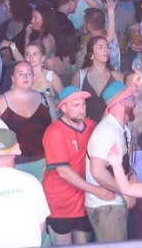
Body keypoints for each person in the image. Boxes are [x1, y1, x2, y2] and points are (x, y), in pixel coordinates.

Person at [42, 86, 112, 245]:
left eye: (83, 104)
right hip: (60, 202)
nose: (81, 109)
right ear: (63, 108)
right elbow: (63, 171)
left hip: (83, 200)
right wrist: (96, 190)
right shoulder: (54, 132)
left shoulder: (91, 126)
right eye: (75, 105)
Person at [84, 81, 138, 243]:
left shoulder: (122, 129)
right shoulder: (106, 132)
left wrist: (132, 176)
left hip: (114, 203)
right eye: (131, 98)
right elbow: (98, 171)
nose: (135, 102)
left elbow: (123, 165)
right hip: (106, 205)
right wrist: (126, 191)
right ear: (122, 101)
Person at [0, 61, 52, 180]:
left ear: (34, 77)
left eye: (29, 74)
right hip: (12, 165)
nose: (25, 77)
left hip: (44, 163)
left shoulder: (46, 100)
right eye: (20, 74)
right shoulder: (0, 102)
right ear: (13, 78)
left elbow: (56, 130)